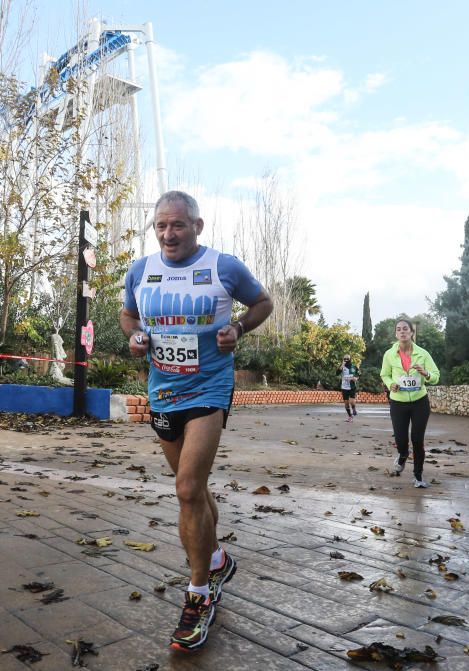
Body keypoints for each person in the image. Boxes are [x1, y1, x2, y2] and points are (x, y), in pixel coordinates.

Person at [120, 190, 273, 652]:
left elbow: (263, 303)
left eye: (178, 225)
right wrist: (136, 338)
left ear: (197, 226)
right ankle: (218, 559)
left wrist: (239, 330)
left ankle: (199, 595)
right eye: (161, 226)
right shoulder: (140, 270)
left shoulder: (224, 267)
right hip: (163, 391)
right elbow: (128, 315)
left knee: (186, 488)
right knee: (197, 491)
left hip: (208, 388)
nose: (169, 234)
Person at [380, 318, 440, 488]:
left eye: (405, 328)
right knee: (400, 439)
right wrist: (390, 383)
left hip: (420, 402)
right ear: (395, 333)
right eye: (399, 329)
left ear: (412, 332)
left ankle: (418, 476)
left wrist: (426, 373)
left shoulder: (423, 354)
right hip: (398, 402)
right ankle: (403, 454)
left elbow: (436, 376)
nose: (402, 331)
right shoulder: (389, 354)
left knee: (417, 439)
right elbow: (384, 374)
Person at [339, 355, 359, 421]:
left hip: (352, 386)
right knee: (346, 403)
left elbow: (358, 374)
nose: (346, 360)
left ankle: (354, 409)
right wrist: (342, 365)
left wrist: (355, 378)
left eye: (347, 358)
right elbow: (337, 373)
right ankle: (350, 416)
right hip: (344, 387)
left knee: (351, 401)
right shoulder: (342, 366)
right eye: (345, 358)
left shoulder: (354, 366)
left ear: (350, 359)